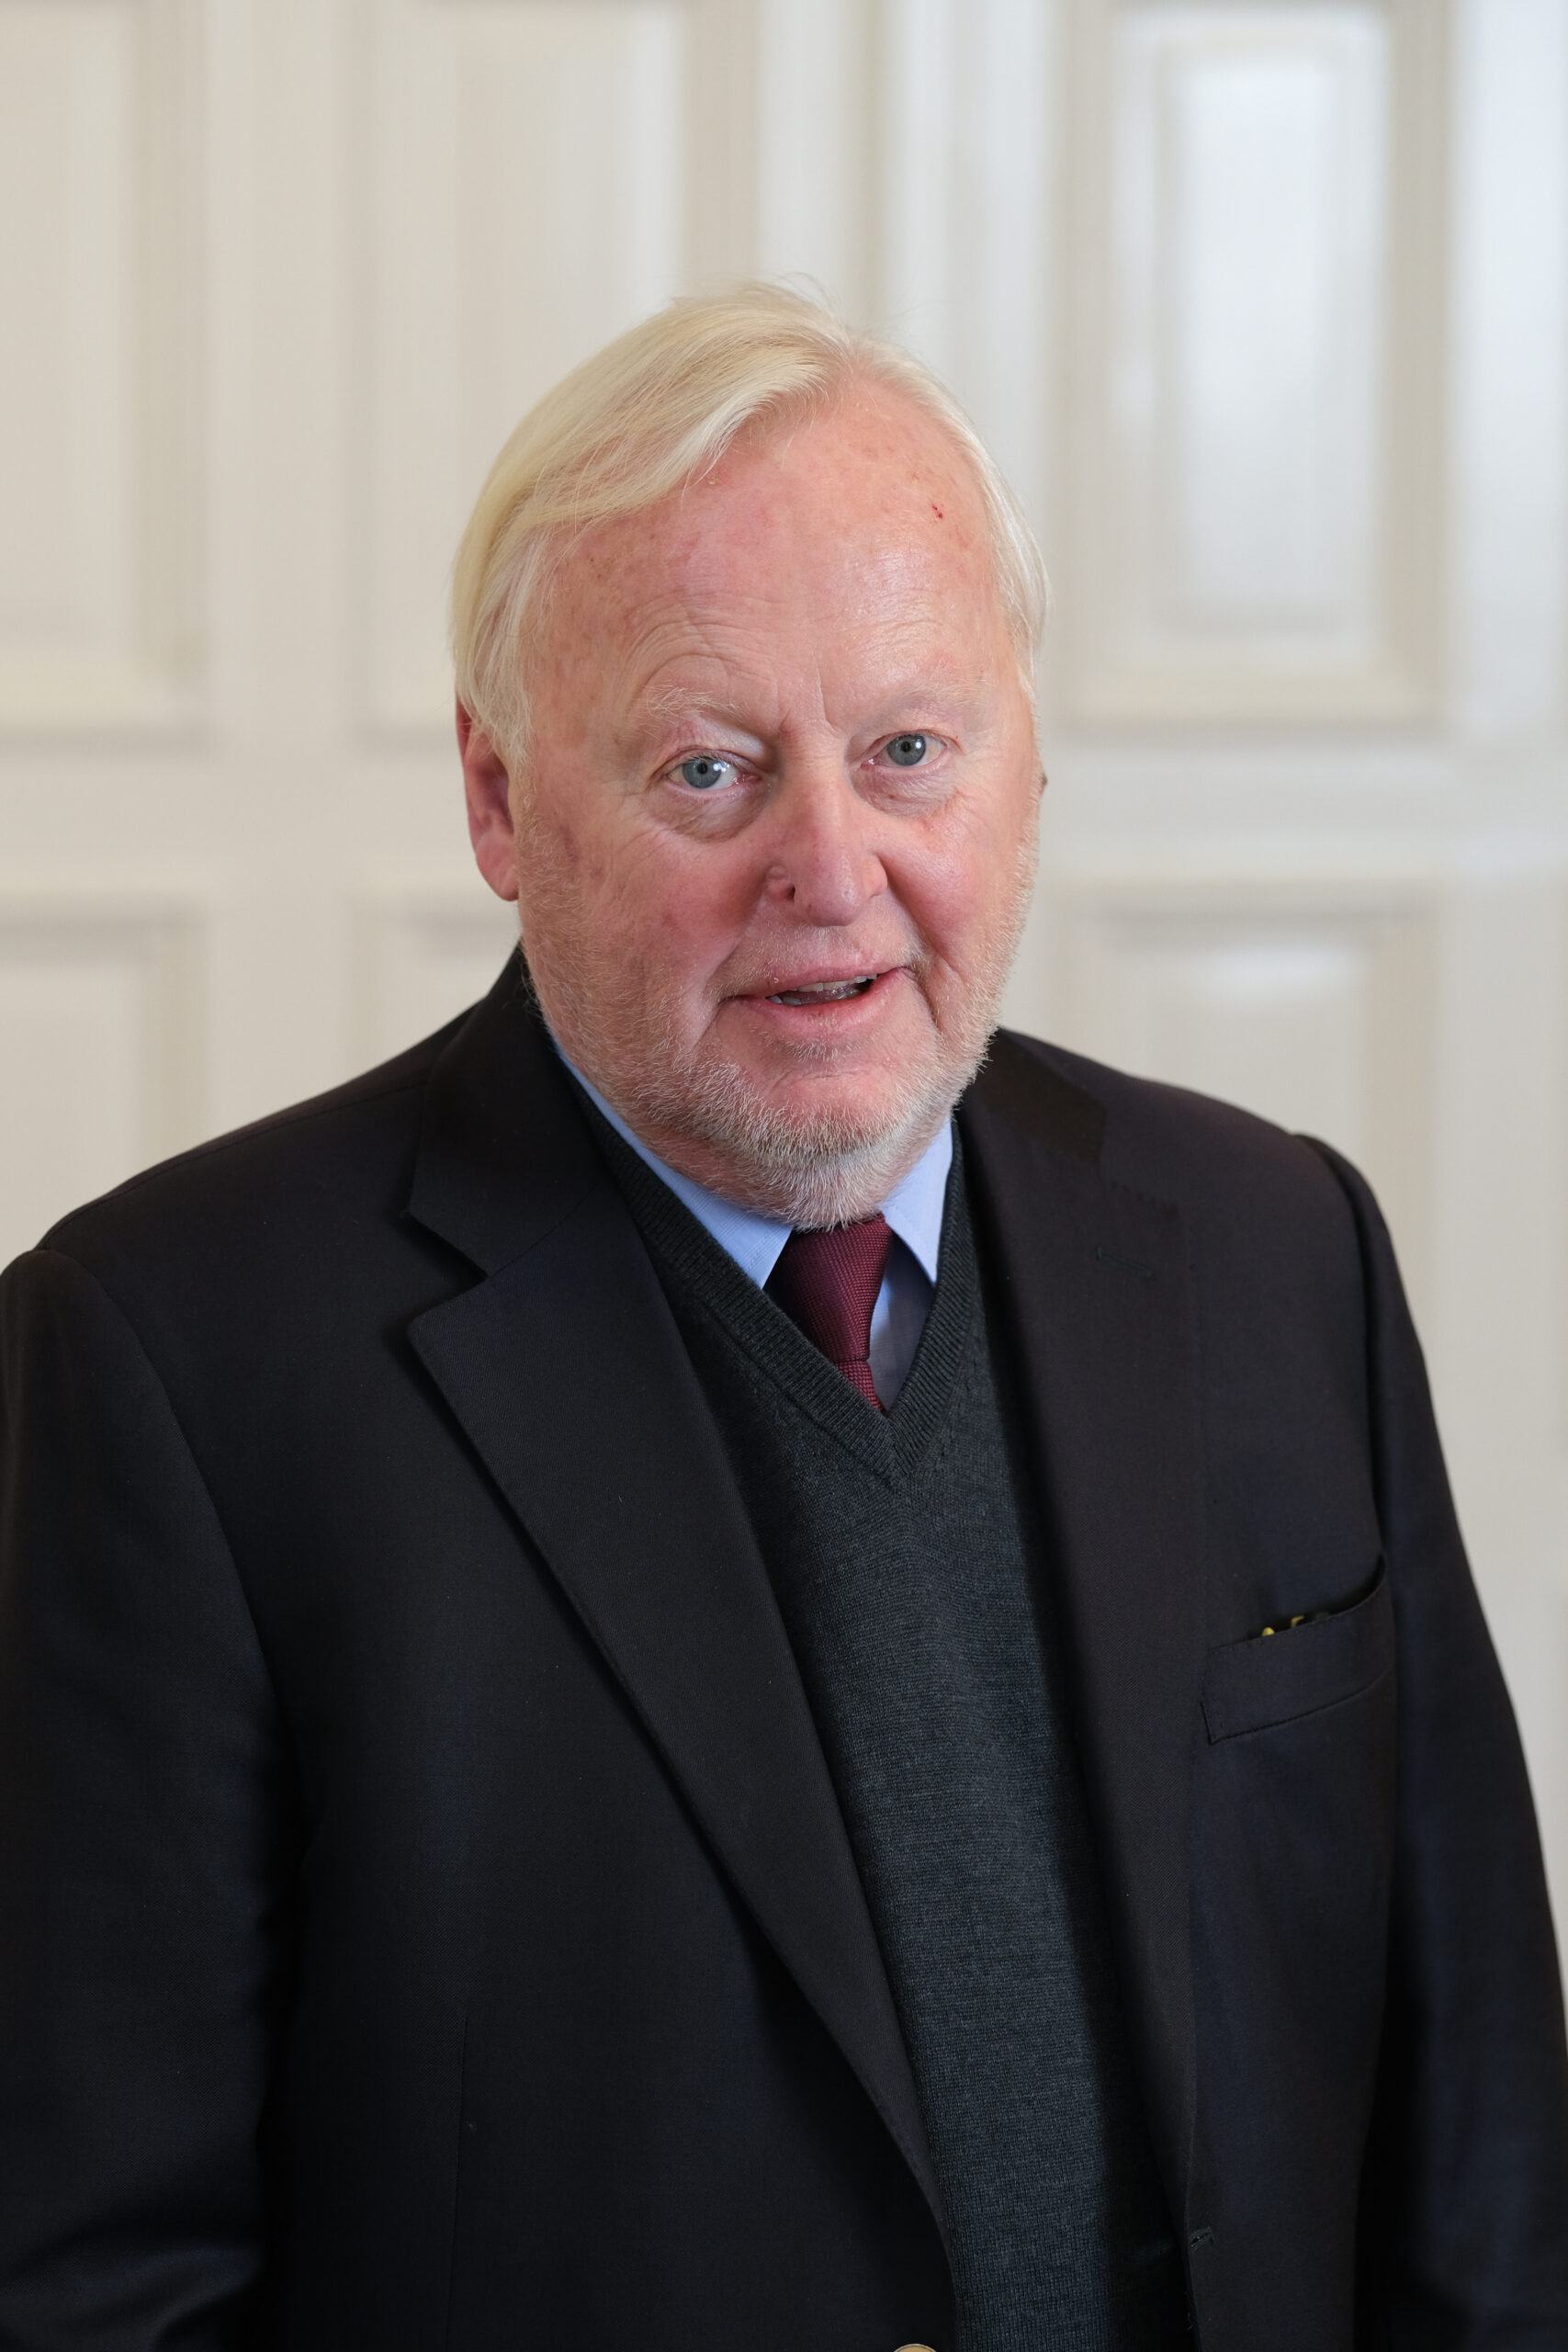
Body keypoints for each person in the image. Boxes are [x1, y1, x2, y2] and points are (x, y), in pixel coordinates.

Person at [1, 284, 1564, 2352]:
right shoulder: (164, 1367)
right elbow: (95, 2284)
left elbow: (1483, 2173)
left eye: (908, 750)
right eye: (709, 768)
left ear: (1022, 765)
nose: (830, 869)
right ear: (497, 797)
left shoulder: (1279, 1250)